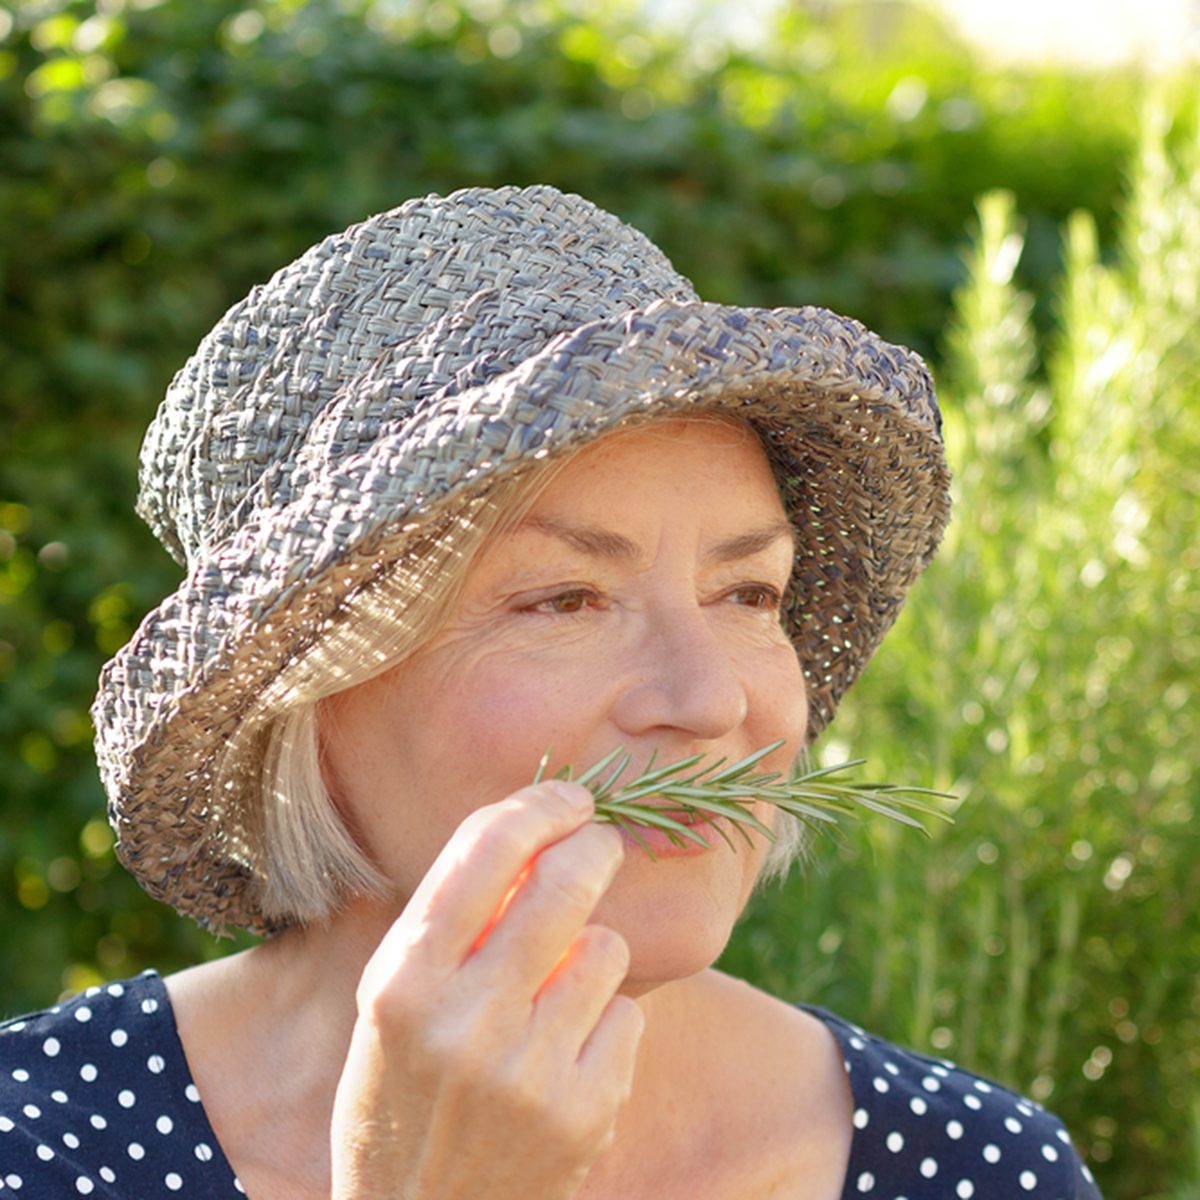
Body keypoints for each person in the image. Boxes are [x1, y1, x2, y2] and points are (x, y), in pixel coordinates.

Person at [0, 185, 1101, 1199]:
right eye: (565, 600)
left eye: (750, 593)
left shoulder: (978, 1168)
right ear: (308, 697)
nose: (711, 701)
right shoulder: (36, 1148)